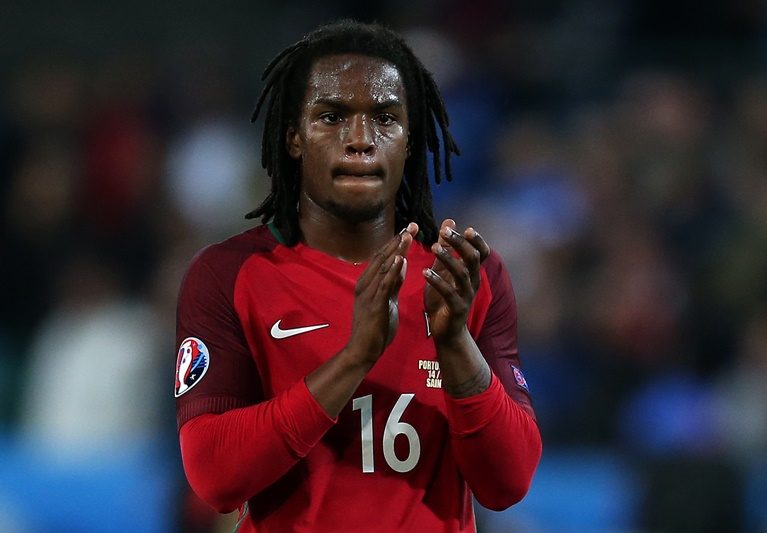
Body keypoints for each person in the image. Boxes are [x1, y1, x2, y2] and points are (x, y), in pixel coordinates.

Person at [175, 19, 542, 532]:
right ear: (294, 137)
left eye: (385, 118)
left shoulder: (463, 275)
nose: (361, 140)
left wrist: (456, 343)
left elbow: (508, 483)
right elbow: (214, 476)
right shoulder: (229, 274)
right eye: (332, 117)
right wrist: (355, 358)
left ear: (409, 141)